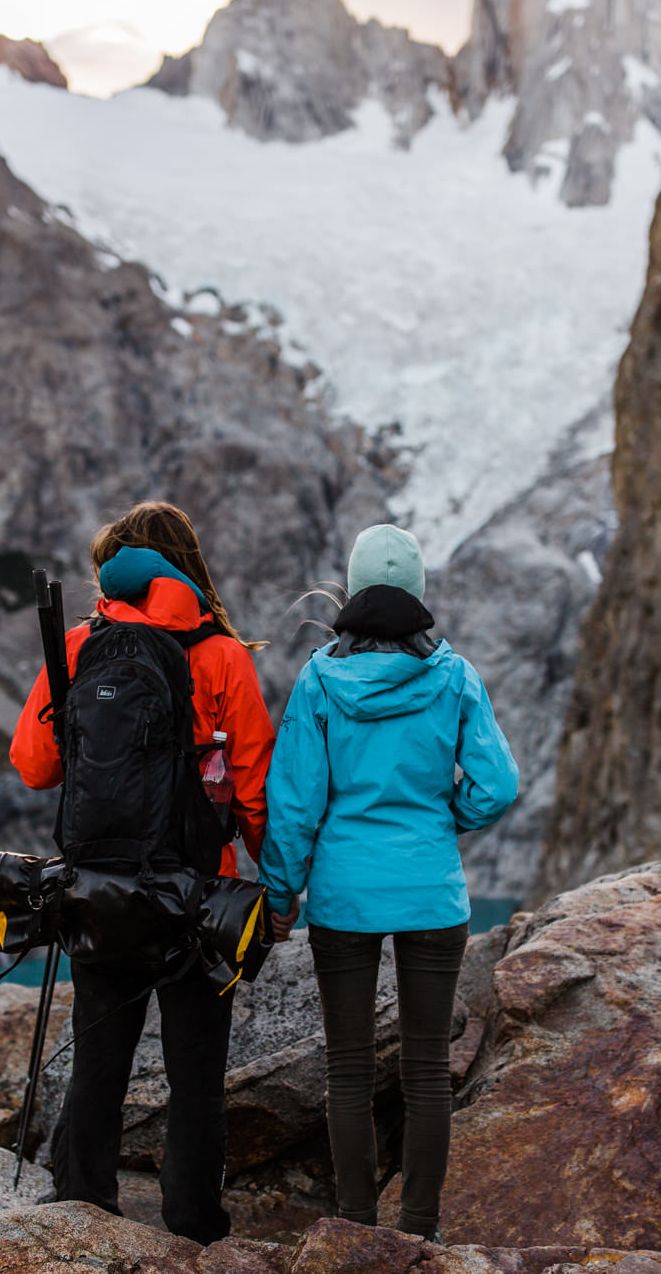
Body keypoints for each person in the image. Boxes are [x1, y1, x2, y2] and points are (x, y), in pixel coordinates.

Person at [9, 500, 274, 1244]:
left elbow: (34, 766)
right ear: (186, 567)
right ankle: (193, 1226)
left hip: (97, 890)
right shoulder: (220, 654)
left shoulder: (79, 646)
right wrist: (272, 891)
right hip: (195, 895)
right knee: (196, 1073)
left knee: (100, 1054)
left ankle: (82, 1208)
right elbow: (253, 785)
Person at [259, 523, 518, 1241]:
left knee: (347, 1070)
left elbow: (294, 805)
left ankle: (354, 1227)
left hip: (343, 898)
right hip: (433, 892)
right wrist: (444, 819)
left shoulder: (320, 679)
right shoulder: (455, 676)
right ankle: (419, 1232)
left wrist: (281, 896)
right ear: (418, 592)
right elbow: (497, 785)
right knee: (428, 1067)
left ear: (355, 585)